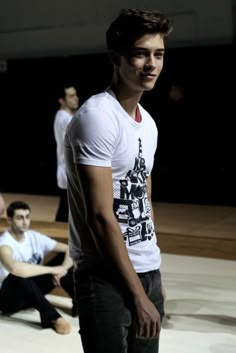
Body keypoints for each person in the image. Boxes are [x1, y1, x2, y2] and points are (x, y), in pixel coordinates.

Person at [65, 8, 173, 353]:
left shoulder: (149, 124)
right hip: (104, 277)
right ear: (117, 57)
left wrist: (154, 275)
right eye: (141, 53)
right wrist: (138, 294)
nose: (151, 64)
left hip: (146, 270)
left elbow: (144, 195)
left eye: (158, 54)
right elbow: (100, 215)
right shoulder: (97, 117)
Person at [0, 201, 76, 334]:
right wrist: (53, 270)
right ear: (9, 220)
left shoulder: (34, 237)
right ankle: (53, 318)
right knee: (21, 276)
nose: (25, 222)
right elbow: (15, 269)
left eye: (27, 217)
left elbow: (70, 249)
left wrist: (62, 268)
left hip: (32, 292)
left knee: (62, 260)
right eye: (19, 218)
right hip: (9, 299)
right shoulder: (4, 243)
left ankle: (79, 303)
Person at [53, 83, 79, 222]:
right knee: (67, 211)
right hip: (69, 172)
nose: (76, 98)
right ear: (62, 100)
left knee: (64, 209)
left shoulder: (61, 116)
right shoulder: (65, 119)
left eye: (75, 94)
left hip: (66, 171)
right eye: (71, 96)